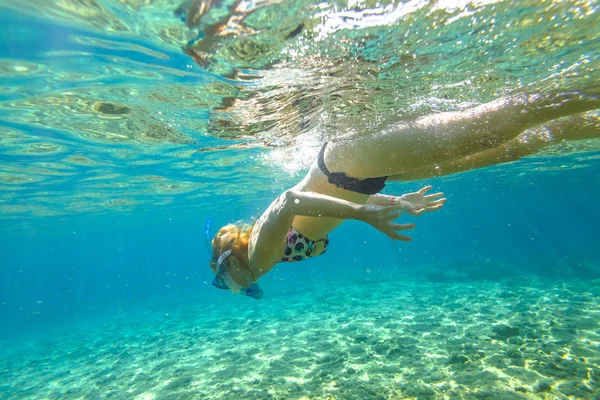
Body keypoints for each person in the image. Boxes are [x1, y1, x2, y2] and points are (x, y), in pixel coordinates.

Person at [207, 91, 600, 299]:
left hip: (349, 164)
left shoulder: (258, 254)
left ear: (229, 264)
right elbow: (328, 209)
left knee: (496, 127)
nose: (238, 289)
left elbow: (290, 201)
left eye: (225, 282)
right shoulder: (263, 255)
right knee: (512, 146)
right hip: (362, 177)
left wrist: (365, 216)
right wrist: (395, 202)